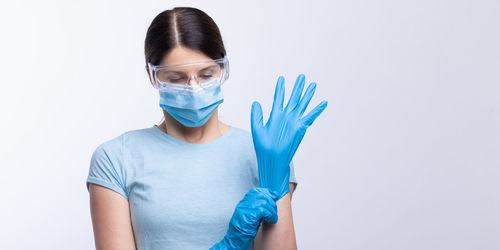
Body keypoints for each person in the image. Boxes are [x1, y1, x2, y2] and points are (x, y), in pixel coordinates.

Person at [86, 7, 326, 250]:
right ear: (152, 75)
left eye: (206, 73)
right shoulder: (116, 159)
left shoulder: (263, 155)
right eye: (176, 78)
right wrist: (230, 244)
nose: (193, 87)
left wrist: (277, 184)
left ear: (222, 69)